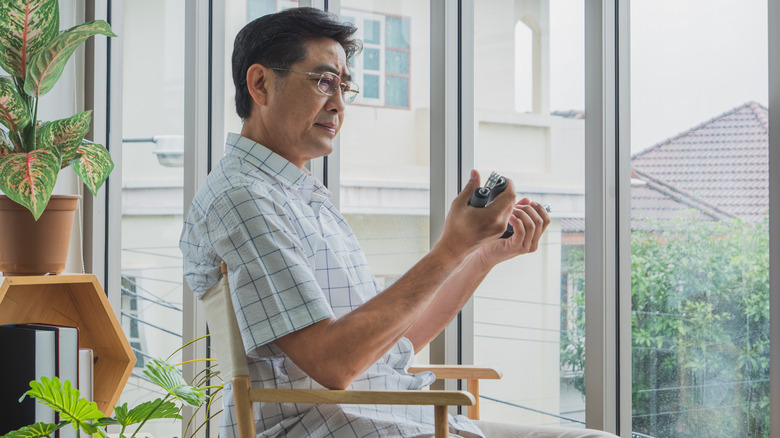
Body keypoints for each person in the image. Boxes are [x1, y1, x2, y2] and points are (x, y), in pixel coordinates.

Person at [180, 7, 616, 438]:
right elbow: (334, 365)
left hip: (393, 416)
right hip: (325, 426)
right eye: (323, 81)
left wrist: (477, 254)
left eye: (343, 86)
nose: (338, 105)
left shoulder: (296, 195)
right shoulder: (243, 198)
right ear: (260, 84)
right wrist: (449, 246)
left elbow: (392, 345)